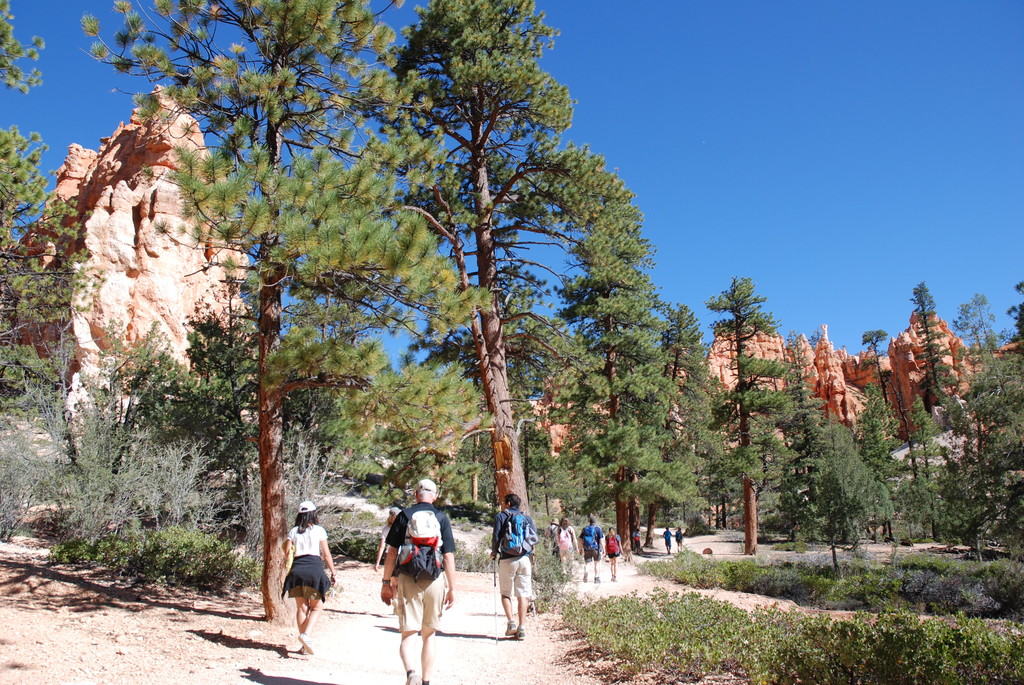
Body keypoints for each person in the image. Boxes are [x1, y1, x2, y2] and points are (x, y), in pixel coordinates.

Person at [380, 479, 456, 685]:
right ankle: (426, 682)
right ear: (436, 496)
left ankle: (411, 673)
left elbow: (392, 553)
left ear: (415, 494)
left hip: (407, 576)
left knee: (408, 633)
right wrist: (452, 588)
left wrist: (386, 582)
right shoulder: (441, 518)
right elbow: (448, 555)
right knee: (429, 634)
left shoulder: (404, 516)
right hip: (434, 578)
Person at [281, 500, 336, 656]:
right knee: (317, 607)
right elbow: (325, 554)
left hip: (296, 570)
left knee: (302, 608)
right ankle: (306, 636)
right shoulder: (319, 530)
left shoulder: (293, 532)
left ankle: (304, 646)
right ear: (313, 514)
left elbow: (287, 553)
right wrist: (333, 572)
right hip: (313, 569)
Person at [491, 493, 538, 640]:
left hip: (507, 559)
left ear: (509, 503)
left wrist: (494, 552)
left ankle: (511, 622)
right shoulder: (526, 518)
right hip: (524, 559)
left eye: (505, 502)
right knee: (523, 593)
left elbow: (496, 537)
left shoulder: (501, 517)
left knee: (505, 593)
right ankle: (522, 627)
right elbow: (533, 537)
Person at [375, 506, 402, 572]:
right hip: (401, 553)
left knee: (389, 576)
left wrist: (377, 562)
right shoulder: (402, 528)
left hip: (389, 554)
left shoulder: (386, 529)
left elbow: (381, 546)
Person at [579, 515, 603, 583]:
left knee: (587, 563)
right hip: (596, 548)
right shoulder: (598, 528)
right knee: (597, 563)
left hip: (586, 548)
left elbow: (580, 539)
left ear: (589, 522)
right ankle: (596, 578)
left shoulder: (585, 528)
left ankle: (586, 573)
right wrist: (604, 549)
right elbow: (601, 540)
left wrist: (580, 548)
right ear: (595, 522)